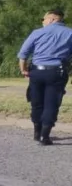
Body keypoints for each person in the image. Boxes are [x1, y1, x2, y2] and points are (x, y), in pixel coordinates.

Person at [18, 8, 72, 145]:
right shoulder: (69, 33)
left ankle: (37, 132)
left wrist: (23, 70)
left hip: (37, 72)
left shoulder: (37, 33)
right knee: (51, 104)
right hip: (57, 72)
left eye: (44, 19)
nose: (43, 22)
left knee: (36, 102)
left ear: (52, 19)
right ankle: (45, 136)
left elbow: (23, 54)